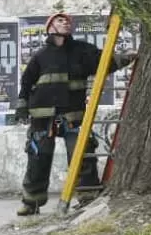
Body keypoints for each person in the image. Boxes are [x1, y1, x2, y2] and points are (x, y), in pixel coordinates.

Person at [15, 13, 137, 215]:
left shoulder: (81, 51)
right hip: (42, 119)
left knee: (82, 156)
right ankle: (31, 203)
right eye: (60, 20)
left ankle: (87, 198)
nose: (65, 22)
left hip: (72, 117)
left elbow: (104, 61)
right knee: (38, 159)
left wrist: (126, 58)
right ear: (50, 27)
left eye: (67, 21)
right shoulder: (40, 56)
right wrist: (21, 107)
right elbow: (26, 83)